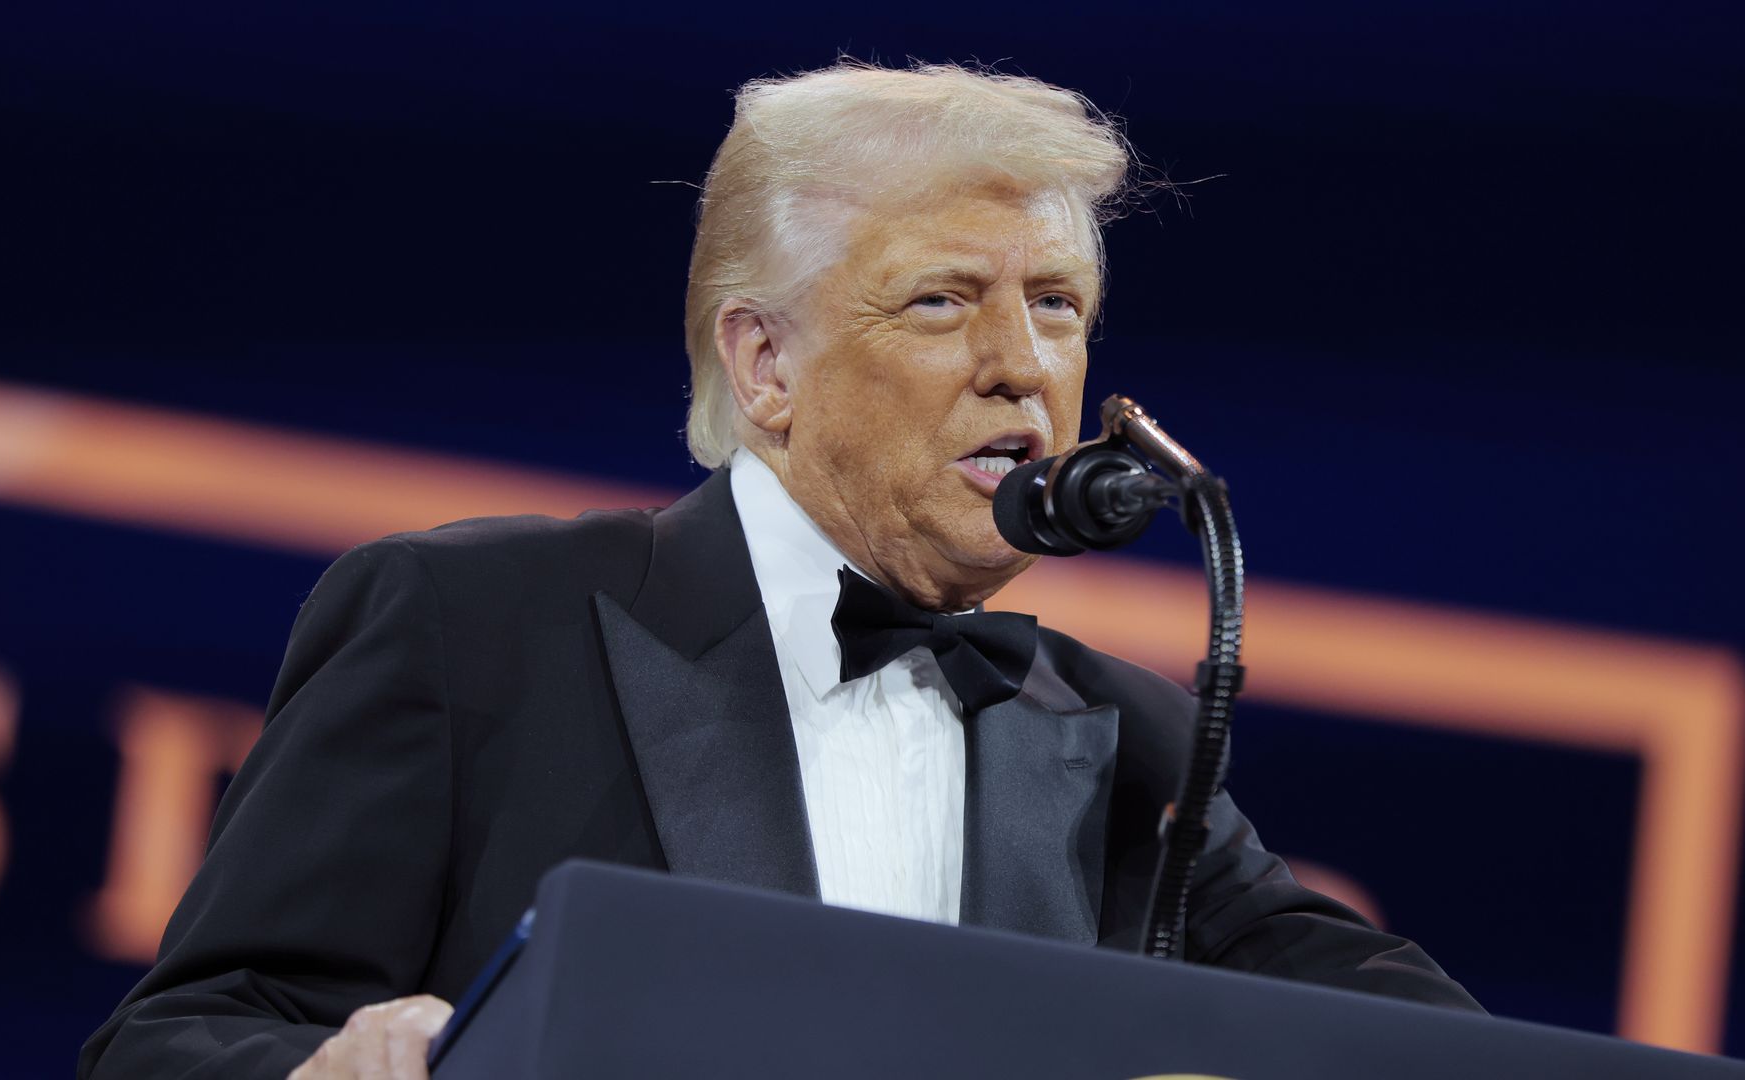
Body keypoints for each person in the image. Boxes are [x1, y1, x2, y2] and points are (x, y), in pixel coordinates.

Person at [80, 61, 1482, 1080]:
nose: (1023, 364)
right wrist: (328, 1074)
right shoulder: (467, 627)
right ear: (766, 365)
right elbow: (171, 1042)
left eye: (1057, 306)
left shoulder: (1126, 740)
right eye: (944, 300)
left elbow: (1414, 1042)